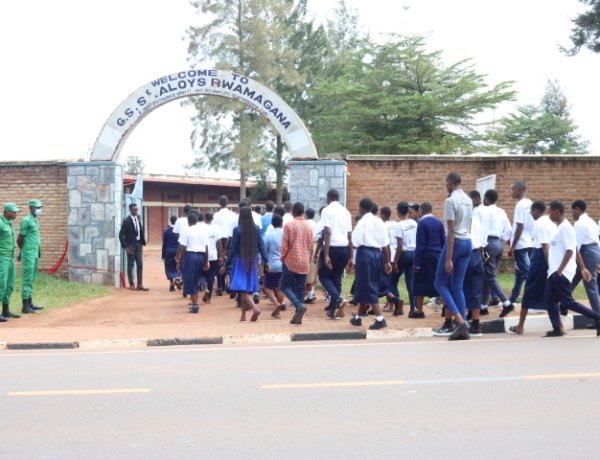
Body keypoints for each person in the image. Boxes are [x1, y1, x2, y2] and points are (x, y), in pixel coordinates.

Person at [543, 200, 600, 337]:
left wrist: (560, 270)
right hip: (554, 271)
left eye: (550, 211)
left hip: (560, 272)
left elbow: (571, 250)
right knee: (549, 300)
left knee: (568, 301)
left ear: (557, 211)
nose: (549, 215)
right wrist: (583, 268)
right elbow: (575, 249)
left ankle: (597, 316)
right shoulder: (561, 228)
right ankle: (557, 329)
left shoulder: (566, 227)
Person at [433, 172, 473, 341]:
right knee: (457, 286)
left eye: (446, 184)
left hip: (455, 243)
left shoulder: (450, 201)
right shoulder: (469, 200)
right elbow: (469, 224)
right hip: (468, 242)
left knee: (440, 283)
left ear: (450, 184)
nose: (446, 187)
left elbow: (450, 230)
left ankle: (460, 321)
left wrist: (448, 258)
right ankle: (462, 328)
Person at [509, 200, 555, 335]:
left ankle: (520, 326)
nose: (530, 214)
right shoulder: (550, 222)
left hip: (540, 258)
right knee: (549, 292)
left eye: (531, 212)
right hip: (546, 257)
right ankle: (558, 325)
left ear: (536, 211)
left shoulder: (540, 224)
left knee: (529, 289)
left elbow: (545, 247)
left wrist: (550, 267)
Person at [349, 198, 392, 330]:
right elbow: (385, 243)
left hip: (365, 254)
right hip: (378, 255)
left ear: (361, 208)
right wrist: (388, 261)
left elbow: (355, 242)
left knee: (367, 286)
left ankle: (380, 319)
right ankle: (358, 317)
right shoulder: (379, 221)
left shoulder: (362, 222)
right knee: (367, 285)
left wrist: (351, 258)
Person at [221, 207, 269, 322]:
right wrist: (266, 262)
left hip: (240, 261)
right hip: (253, 261)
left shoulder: (237, 230)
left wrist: (225, 265)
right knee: (245, 289)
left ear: (240, 216)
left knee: (241, 288)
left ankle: (255, 308)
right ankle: (243, 316)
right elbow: (261, 247)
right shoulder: (256, 228)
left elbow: (233, 250)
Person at [318, 189, 353, 319]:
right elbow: (350, 235)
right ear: (338, 198)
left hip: (332, 248)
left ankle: (337, 298)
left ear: (328, 198)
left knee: (323, 276)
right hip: (344, 249)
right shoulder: (346, 212)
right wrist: (351, 256)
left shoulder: (327, 210)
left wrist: (326, 254)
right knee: (337, 277)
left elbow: (327, 232)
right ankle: (333, 309)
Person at [480, 189, 513, 316]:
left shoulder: (483, 211)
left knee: (490, 275)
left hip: (488, 244)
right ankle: (483, 306)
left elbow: (481, 230)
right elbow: (509, 229)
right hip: (499, 244)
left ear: (486, 199)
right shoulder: (501, 211)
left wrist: (482, 245)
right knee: (487, 275)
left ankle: (507, 303)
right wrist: (501, 239)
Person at [280, 202, 314, 325]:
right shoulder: (309, 227)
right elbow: (311, 246)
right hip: (304, 262)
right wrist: (309, 258)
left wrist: (282, 257)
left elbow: (284, 245)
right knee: (300, 289)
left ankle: (298, 306)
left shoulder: (289, 225)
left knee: (285, 287)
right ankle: (297, 316)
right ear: (303, 212)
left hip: (291, 261)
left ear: (293, 212)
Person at [413, 202, 445, 318]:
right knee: (438, 282)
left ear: (421, 211)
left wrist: (416, 263)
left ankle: (419, 311)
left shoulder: (422, 223)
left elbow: (420, 245)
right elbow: (443, 242)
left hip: (425, 256)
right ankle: (446, 307)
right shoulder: (439, 223)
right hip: (438, 255)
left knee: (419, 283)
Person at [463, 191, 488, 337]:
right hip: (477, 254)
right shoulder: (478, 221)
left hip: (464, 254)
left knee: (458, 288)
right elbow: (484, 241)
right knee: (475, 289)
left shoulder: (459, 220)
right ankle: (476, 324)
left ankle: (458, 321)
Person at [570, 200, 600, 315]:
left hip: (586, 253)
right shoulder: (591, 221)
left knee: (590, 286)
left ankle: (597, 317)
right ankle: (562, 304)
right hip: (594, 252)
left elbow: (576, 245)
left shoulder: (579, 224)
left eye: (572, 211)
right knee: (571, 280)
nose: (572, 214)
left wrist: (570, 261)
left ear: (577, 210)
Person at [508, 181, 534, 307]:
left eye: (512, 190)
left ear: (519, 190)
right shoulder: (530, 203)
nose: (511, 192)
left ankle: (536, 299)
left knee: (528, 273)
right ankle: (513, 298)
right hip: (530, 243)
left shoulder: (520, 205)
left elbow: (520, 226)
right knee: (520, 274)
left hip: (521, 244)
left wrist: (512, 246)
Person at [177, 211, 209, 314]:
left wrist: (179, 262)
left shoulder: (186, 231)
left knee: (191, 281)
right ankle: (193, 302)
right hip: (201, 257)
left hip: (190, 257)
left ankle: (195, 305)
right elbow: (206, 247)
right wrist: (206, 261)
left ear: (188, 221)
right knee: (197, 279)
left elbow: (183, 248)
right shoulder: (203, 231)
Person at [17, 199, 45, 313]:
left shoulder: (35, 220)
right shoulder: (26, 220)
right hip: (28, 254)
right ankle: (25, 306)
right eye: (36, 207)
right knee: (27, 279)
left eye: (40, 207)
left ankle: (30, 303)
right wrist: (22, 252)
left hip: (35, 253)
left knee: (31, 278)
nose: (39, 209)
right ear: (30, 208)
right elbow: (19, 239)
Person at [393, 202, 418, 317]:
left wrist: (395, 262)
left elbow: (399, 245)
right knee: (410, 282)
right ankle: (413, 308)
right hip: (413, 253)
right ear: (408, 211)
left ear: (398, 212)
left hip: (403, 254)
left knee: (391, 282)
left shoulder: (399, 226)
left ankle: (398, 302)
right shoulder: (414, 223)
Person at [118, 202, 148, 291]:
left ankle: (140, 284)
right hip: (130, 246)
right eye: (134, 210)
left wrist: (142, 243)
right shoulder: (126, 221)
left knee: (140, 264)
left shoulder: (138, 218)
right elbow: (121, 235)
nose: (136, 211)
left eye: (137, 210)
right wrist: (125, 247)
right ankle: (131, 284)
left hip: (138, 245)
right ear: (130, 210)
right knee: (130, 265)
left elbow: (140, 231)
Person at [213, 195, 238, 296]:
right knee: (231, 262)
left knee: (220, 261)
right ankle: (231, 285)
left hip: (219, 241)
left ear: (219, 203)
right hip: (231, 239)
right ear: (228, 203)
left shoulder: (215, 216)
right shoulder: (233, 215)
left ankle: (220, 286)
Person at [0, 203, 21, 322]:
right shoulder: (0, 223)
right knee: (1, 284)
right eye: (14, 212)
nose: (16, 214)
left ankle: (5, 310)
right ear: (7, 212)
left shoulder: (10, 223)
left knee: (9, 284)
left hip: (10, 258)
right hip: (1, 258)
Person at [263, 215, 285, 318]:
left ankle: (276, 303)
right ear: (282, 223)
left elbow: (264, 252)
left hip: (271, 265)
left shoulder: (268, 236)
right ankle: (278, 311)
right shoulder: (286, 235)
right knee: (279, 288)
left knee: (267, 287)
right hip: (284, 264)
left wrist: (264, 264)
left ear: (272, 224)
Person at [203, 212, 222, 303]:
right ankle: (209, 297)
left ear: (205, 218)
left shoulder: (201, 227)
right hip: (213, 255)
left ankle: (205, 288)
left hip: (202, 254)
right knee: (210, 276)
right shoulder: (216, 228)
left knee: (201, 274)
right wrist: (221, 255)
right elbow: (219, 243)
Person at [303, 207, 320, 304]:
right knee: (313, 272)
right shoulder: (316, 224)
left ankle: (309, 295)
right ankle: (311, 293)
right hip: (316, 247)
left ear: (306, 215)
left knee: (306, 272)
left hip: (307, 247)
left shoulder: (305, 224)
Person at [162, 215, 181, 292]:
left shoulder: (166, 231)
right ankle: (177, 279)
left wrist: (163, 255)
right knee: (178, 265)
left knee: (169, 267)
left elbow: (164, 244)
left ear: (170, 221)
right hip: (178, 250)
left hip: (169, 250)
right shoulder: (179, 231)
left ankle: (171, 284)